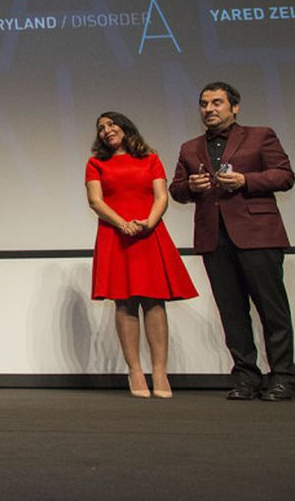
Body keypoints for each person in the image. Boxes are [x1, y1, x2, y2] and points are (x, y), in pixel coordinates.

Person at [169, 82, 295, 401]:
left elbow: (284, 176)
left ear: (234, 107)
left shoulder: (260, 135)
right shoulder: (190, 147)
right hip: (215, 236)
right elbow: (176, 189)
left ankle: (283, 376)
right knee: (232, 311)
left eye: (216, 103)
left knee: (272, 309)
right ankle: (246, 376)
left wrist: (246, 180)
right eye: (203, 104)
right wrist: (192, 187)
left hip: (257, 233)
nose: (209, 109)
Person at [85, 112, 198, 399]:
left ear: (125, 127)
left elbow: (161, 196)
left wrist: (148, 222)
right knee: (124, 303)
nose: (106, 131)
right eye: (101, 128)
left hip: (149, 232)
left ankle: (159, 371)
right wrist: (121, 223)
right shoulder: (95, 163)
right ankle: (135, 371)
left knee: (154, 301)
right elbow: (95, 200)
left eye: (111, 125)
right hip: (115, 234)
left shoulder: (150, 158)